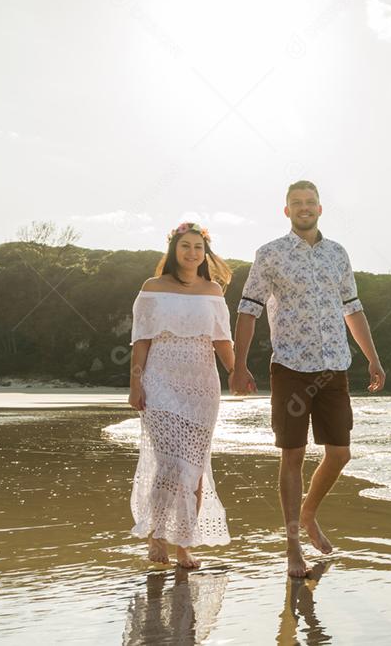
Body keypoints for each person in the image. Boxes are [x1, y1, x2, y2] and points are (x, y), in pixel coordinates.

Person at [230, 180, 386, 578]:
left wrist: (373, 358)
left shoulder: (338, 254)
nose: (304, 208)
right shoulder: (270, 254)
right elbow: (248, 310)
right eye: (297, 203)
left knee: (339, 453)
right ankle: (293, 545)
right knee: (293, 455)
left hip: (334, 364)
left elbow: (353, 308)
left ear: (320, 208)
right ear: (287, 211)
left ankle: (309, 512)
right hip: (290, 368)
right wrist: (239, 363)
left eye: (310, 202)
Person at [127, 221, 236, 569]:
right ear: (174, 250)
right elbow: (141, 340)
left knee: (195, 468)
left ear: (205, 253)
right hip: (160, 381)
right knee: (170, 465)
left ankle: (184, 543)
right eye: (185, 246)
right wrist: (136, 384)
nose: (191, 253)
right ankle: (158, 534)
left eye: (198, 248)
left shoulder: (214, 291)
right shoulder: (153, 287)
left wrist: (239, 372)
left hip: (202, 385)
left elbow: (222, 342)